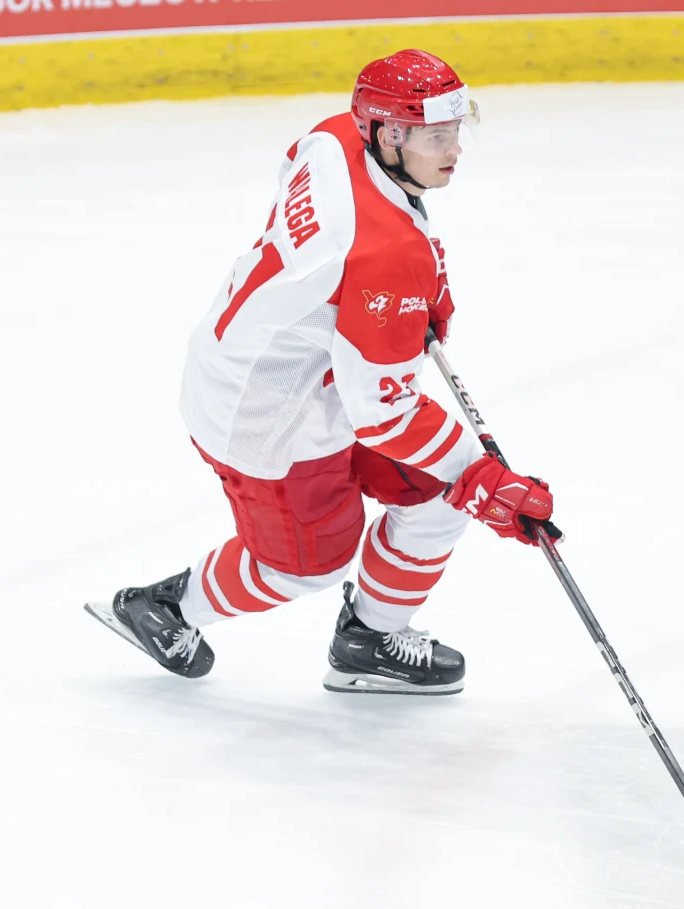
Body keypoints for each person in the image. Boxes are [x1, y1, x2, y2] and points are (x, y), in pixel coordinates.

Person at [84, 49, 559, 696]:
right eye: (436, 137)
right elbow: (384, 413)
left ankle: (369, 641)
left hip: (303, 371)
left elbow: (319, 210)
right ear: (389, 136)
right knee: (306, 565)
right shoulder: (386, 255)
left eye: (457, 130)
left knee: (438, 492)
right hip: (263, 416)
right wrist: (482, 477)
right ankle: (166, 608)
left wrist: (377, 300)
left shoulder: (336, 136)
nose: (454, 150)